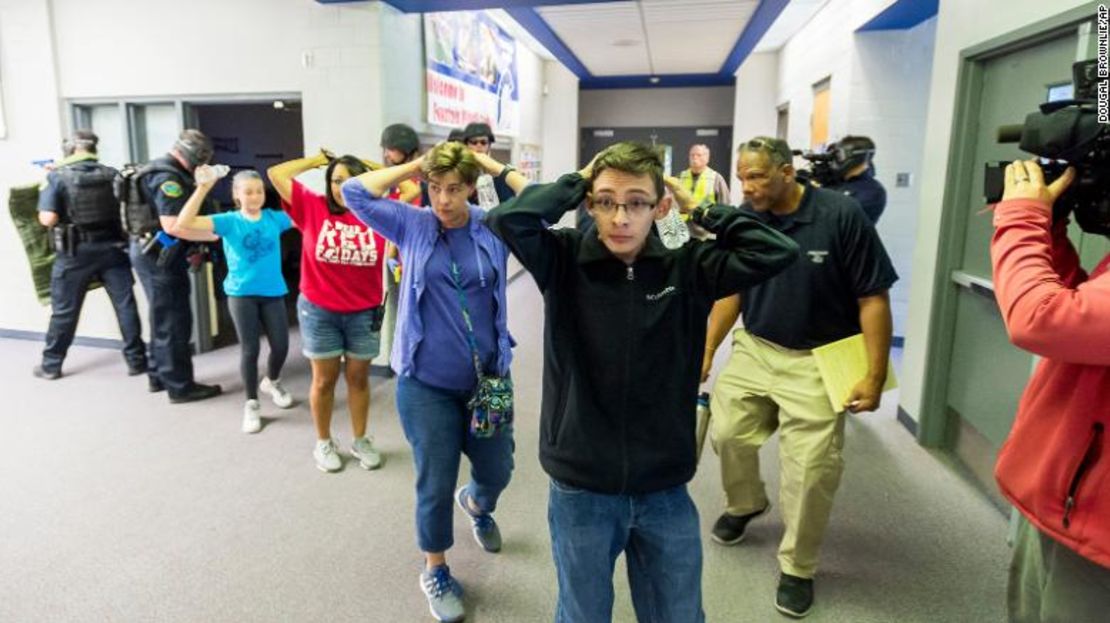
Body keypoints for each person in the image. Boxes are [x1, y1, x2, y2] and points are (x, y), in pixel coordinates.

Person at [486, 141, 799, 623]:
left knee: (678, 615)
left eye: (636, 202)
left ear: (661, 206)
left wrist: (706, 209)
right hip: (581, 483)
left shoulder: (688, 265)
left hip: (663, 485)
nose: (620, 218)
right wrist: (578, 179)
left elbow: (776, 250)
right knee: (583, 614)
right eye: (606, 201)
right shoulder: (563, 258)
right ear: (589, 203)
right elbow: (508, 220)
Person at [702, 136, 897, 618]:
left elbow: (873, 297)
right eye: (742, 176)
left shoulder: (841, 216)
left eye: (757, 177)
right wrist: (705, 350)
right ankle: (747, 503)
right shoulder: (746, 217)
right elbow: (732, 292)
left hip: (820, 357)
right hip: (757, 347)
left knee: (811, 471)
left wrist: (873, 377)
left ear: (788, 172)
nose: (746, 187)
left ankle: (798, 567)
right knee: (726, 434)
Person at [341, 142, 527, 623]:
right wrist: (415, 166)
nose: (443, 199)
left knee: (498, 469)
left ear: (469, 187)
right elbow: (354, 192)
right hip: (426, 383)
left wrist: (490, 164)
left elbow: (541, 203)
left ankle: (478, 503)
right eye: (435, 188)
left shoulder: (492, 224)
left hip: (489, 378)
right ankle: (437, 567)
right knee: (435, 477)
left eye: (454, 189)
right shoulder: (413, 223)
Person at [990, 160, 1110, 622]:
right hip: (1066, 502)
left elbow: (1040, 319)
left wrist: (1021, 218)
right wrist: (1051, 233)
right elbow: (1083, 312)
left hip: (1097, 537)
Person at [267, 151, 388, 472]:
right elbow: (277, 174)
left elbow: (413, 184)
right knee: (323, 381)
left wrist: (370, 171)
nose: (342, 187)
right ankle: (323, 441)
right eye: (336, 180)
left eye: (351, 180)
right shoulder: (312, 206)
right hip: (320, 310)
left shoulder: (378, 212)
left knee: (359, 379)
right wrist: (317, 160)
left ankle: (360, 439)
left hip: (364, 312)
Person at [173, 167, 295, 434]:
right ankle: (251, 403)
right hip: (241, 295)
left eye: (259, 191)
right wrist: (203, 188)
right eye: (248, 192)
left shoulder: (275, 218)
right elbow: (183, 223)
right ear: (237, 195)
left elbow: (310, 215)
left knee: (282, 346)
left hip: (273, 291)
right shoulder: (228, 221)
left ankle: (272, 381)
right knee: (250, 350)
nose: (254, 196)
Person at [33, 130, 146, 380]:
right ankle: (137, 362)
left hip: (75, 253)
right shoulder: (112, 174)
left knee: (65, 310)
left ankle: (51, 365)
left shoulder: (57, 177)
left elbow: (48, 219)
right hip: (115, 248)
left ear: (70, 149)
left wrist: (46, 187)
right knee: (125, 306)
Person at [130, 129, 222, 403]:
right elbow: (175, 225)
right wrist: (218, 235)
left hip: (155, 253)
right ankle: (180, 387)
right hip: (159, 256)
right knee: (173, 321)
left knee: (162, 318)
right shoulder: (168, 177)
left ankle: (159, 376)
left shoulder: (160, 169)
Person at [823, 136, 886, 225]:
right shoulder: (835, 182)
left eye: (839, 156)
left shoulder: (872, 191)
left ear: (859, 157)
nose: (835, 161)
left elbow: (835, 218)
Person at [461, 122, 517, 209]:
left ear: (489, 146)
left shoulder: (500, 173)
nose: (479, 146)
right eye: (474, 142)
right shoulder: (459, 173)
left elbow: (510, 206)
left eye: (483, 142)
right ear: (466, 145)